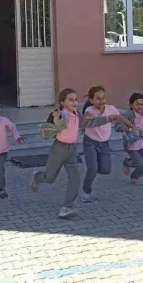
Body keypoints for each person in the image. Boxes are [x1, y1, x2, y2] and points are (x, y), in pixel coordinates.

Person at [31, 88, 123, 219]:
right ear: (62, 103)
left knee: (75, 179)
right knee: (49, 178)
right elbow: (59, 122)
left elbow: (91, 122)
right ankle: (37, 177)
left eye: (75, 99)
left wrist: (108, 118)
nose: (74, 102)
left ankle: (66, 208)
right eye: (70, 100)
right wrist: (57, 118)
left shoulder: (77, 115)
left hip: (71, 151)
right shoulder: (62, 114)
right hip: (59, 149)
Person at [80, 86, 134, 203]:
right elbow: (91, 124)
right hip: (90, 142)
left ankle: (93, 168)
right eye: (98, 99)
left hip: (104, 144)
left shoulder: (111, 109)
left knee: (106, 170)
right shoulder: (89, 111)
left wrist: (132, 127)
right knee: (93, 169)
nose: (101, 101)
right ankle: (86, 192)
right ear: (91, 100)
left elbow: (120, 117)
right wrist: (108, 118)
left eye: (103, 98)